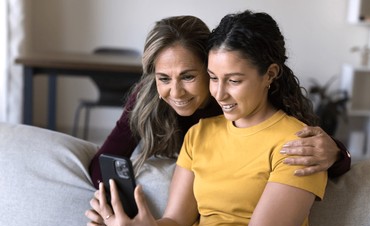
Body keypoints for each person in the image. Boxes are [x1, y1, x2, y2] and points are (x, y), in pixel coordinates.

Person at [29, 10, 329, 226]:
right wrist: (130, 225)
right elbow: (175, 222)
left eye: (234, 80)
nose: (220, 93)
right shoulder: (200, 134)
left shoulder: (298, 144)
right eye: (213, 78)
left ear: (270, 75)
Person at [88, 16, 350, 191]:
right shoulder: (148, 98)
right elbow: (104, 162)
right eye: (164, 78)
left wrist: (337, 153)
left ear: (211, 67)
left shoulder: (240, 101)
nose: (175, 91)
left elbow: (303, 143)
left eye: (189, 76)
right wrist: (114, 201)